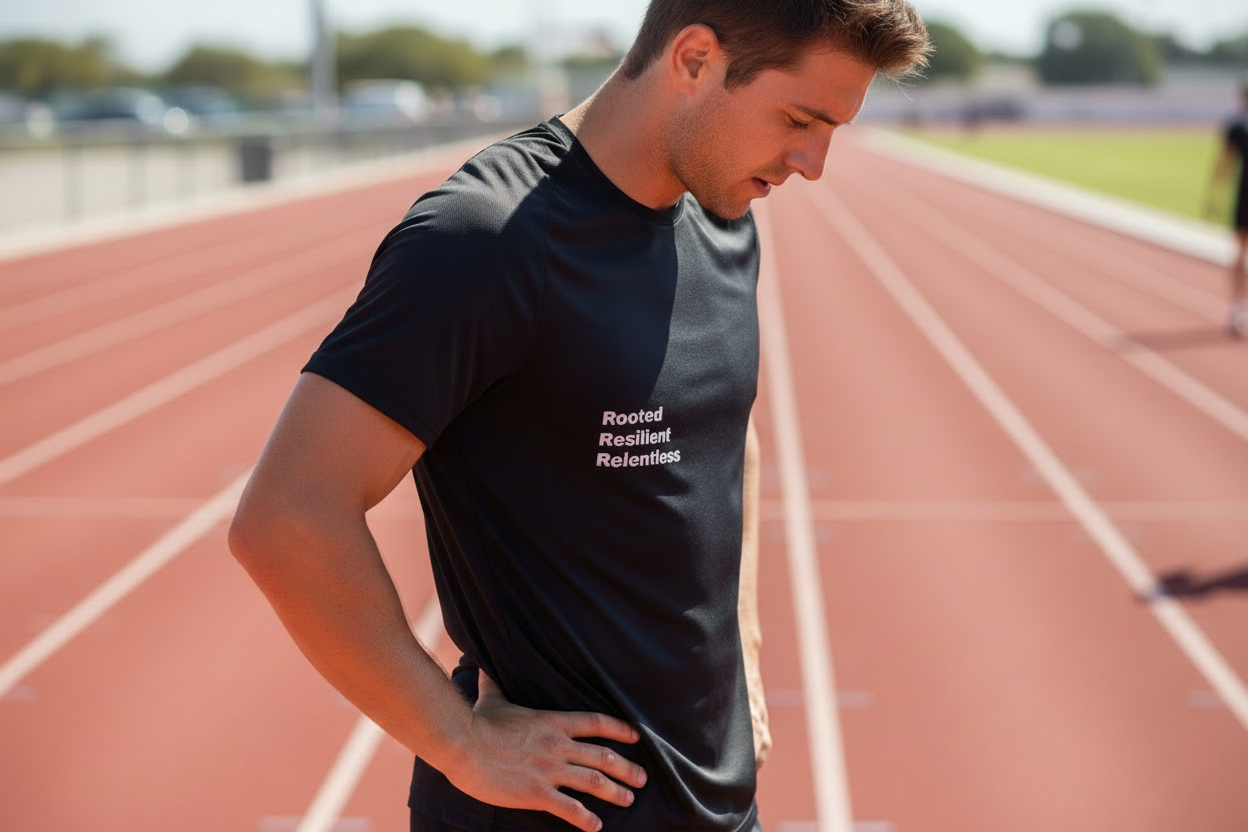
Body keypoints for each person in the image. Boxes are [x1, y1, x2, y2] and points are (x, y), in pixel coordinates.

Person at [228, 2, 929, 831]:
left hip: (717, 803)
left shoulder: (723, 216)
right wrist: (457, 741)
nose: (814, 163)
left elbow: (724, 435)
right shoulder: (484, 242)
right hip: (549, 812)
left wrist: (743, 650)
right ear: (695, 58)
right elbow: (286, 513)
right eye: (800, 119)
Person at [1208, 74, 1248, 337]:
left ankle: (1237, 308)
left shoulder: (1236, 126)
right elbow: (1226, 162)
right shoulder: (1236, 128)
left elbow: (1224, 165)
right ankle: (1237, 308)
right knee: (1240, 253)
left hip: (1245, 195)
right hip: (1245, 195)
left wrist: (1213, 197)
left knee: (1241, 253)